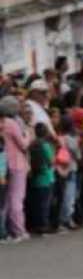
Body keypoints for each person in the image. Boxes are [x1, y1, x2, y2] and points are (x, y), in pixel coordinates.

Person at [1, 96, 30, 242]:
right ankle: (19, 230)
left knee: (5, 199)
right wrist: (28, 136)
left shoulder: (2, 122)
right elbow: (23, 144)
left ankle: (4, 230)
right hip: (17, 164)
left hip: (4, 164)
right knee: (16, 198)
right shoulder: (12, 123)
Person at [26, 123, 55, 235]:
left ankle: (36, 225)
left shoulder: (31, 144)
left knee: (36, 203)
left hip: (35, 177)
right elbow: (51, 160)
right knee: (45, 203)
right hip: (46, 176)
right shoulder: (45, 145)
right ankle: (44, 225)